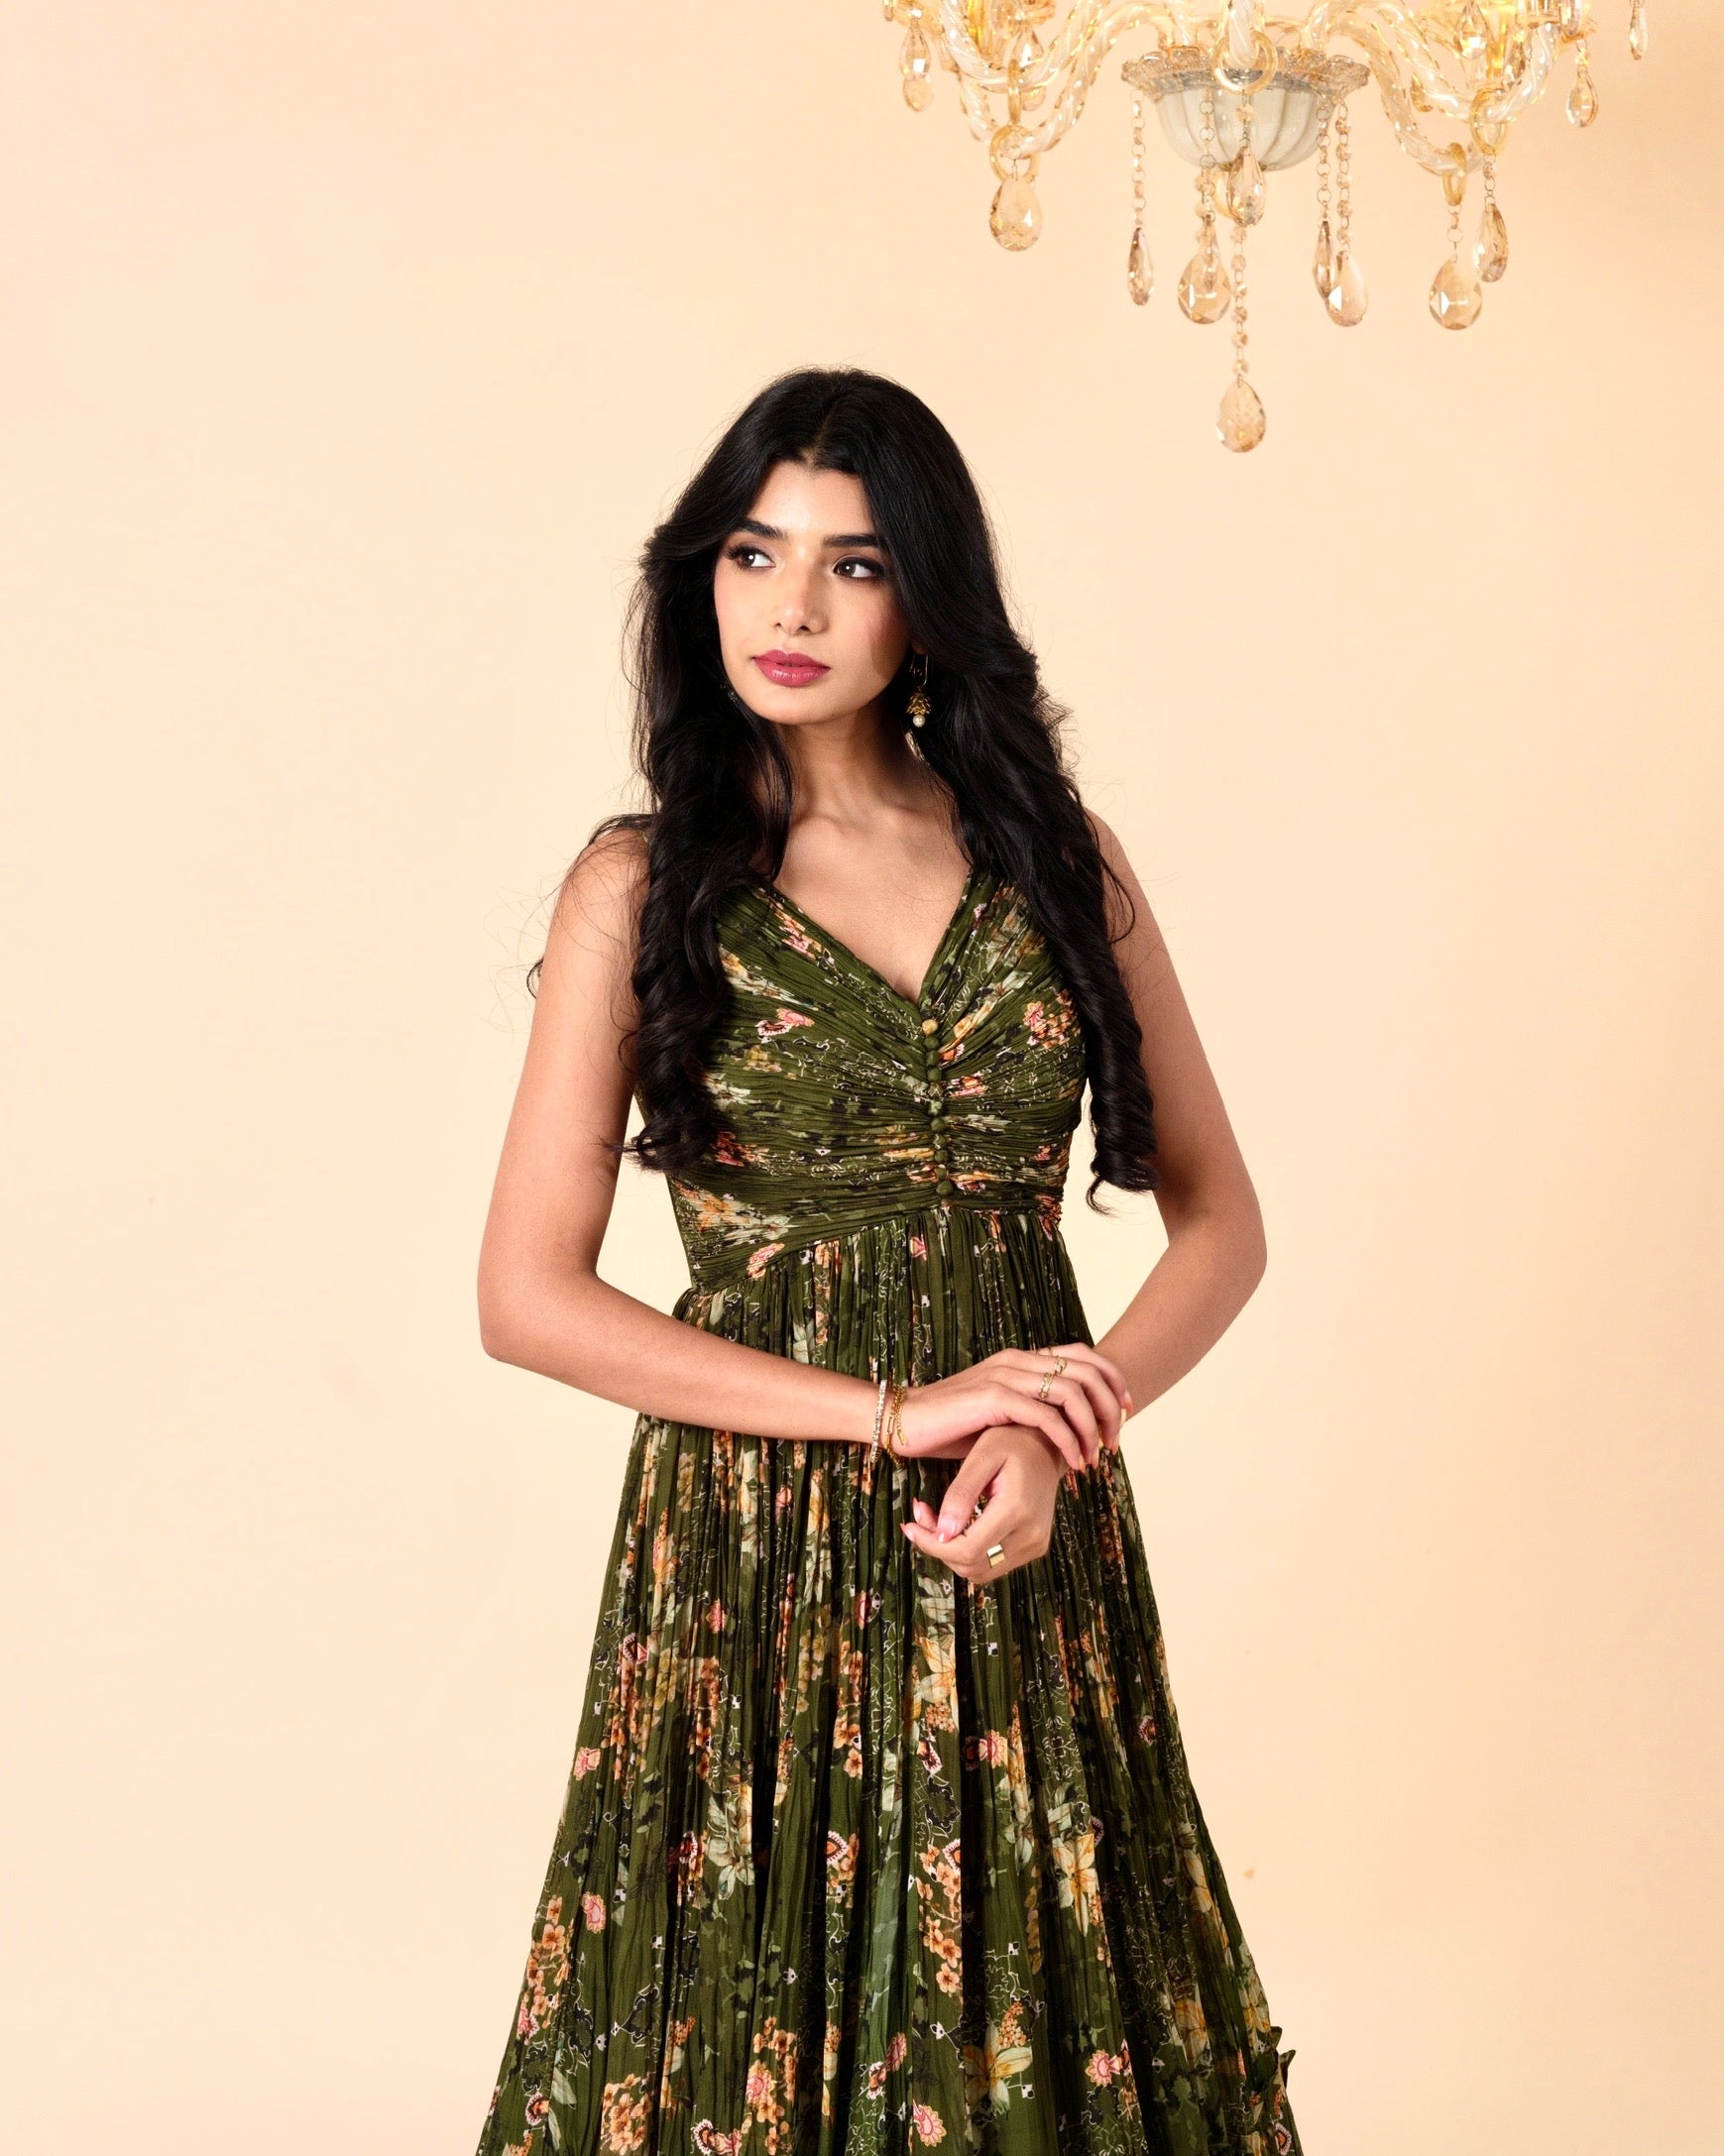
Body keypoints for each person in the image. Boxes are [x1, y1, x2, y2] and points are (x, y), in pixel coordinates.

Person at [471, 366, 1303, 2156]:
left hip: (1015, 1531)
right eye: (755, 553)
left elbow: (1221, 1221)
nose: (790, 606)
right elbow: (526, 1299)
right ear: (700, 579)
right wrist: (892, 1409)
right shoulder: (645, 884)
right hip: (756, 1548)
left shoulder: (1058, 863)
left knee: (1044, 1982)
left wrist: (1060, 1426)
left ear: (928, 597)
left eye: (851, 565)